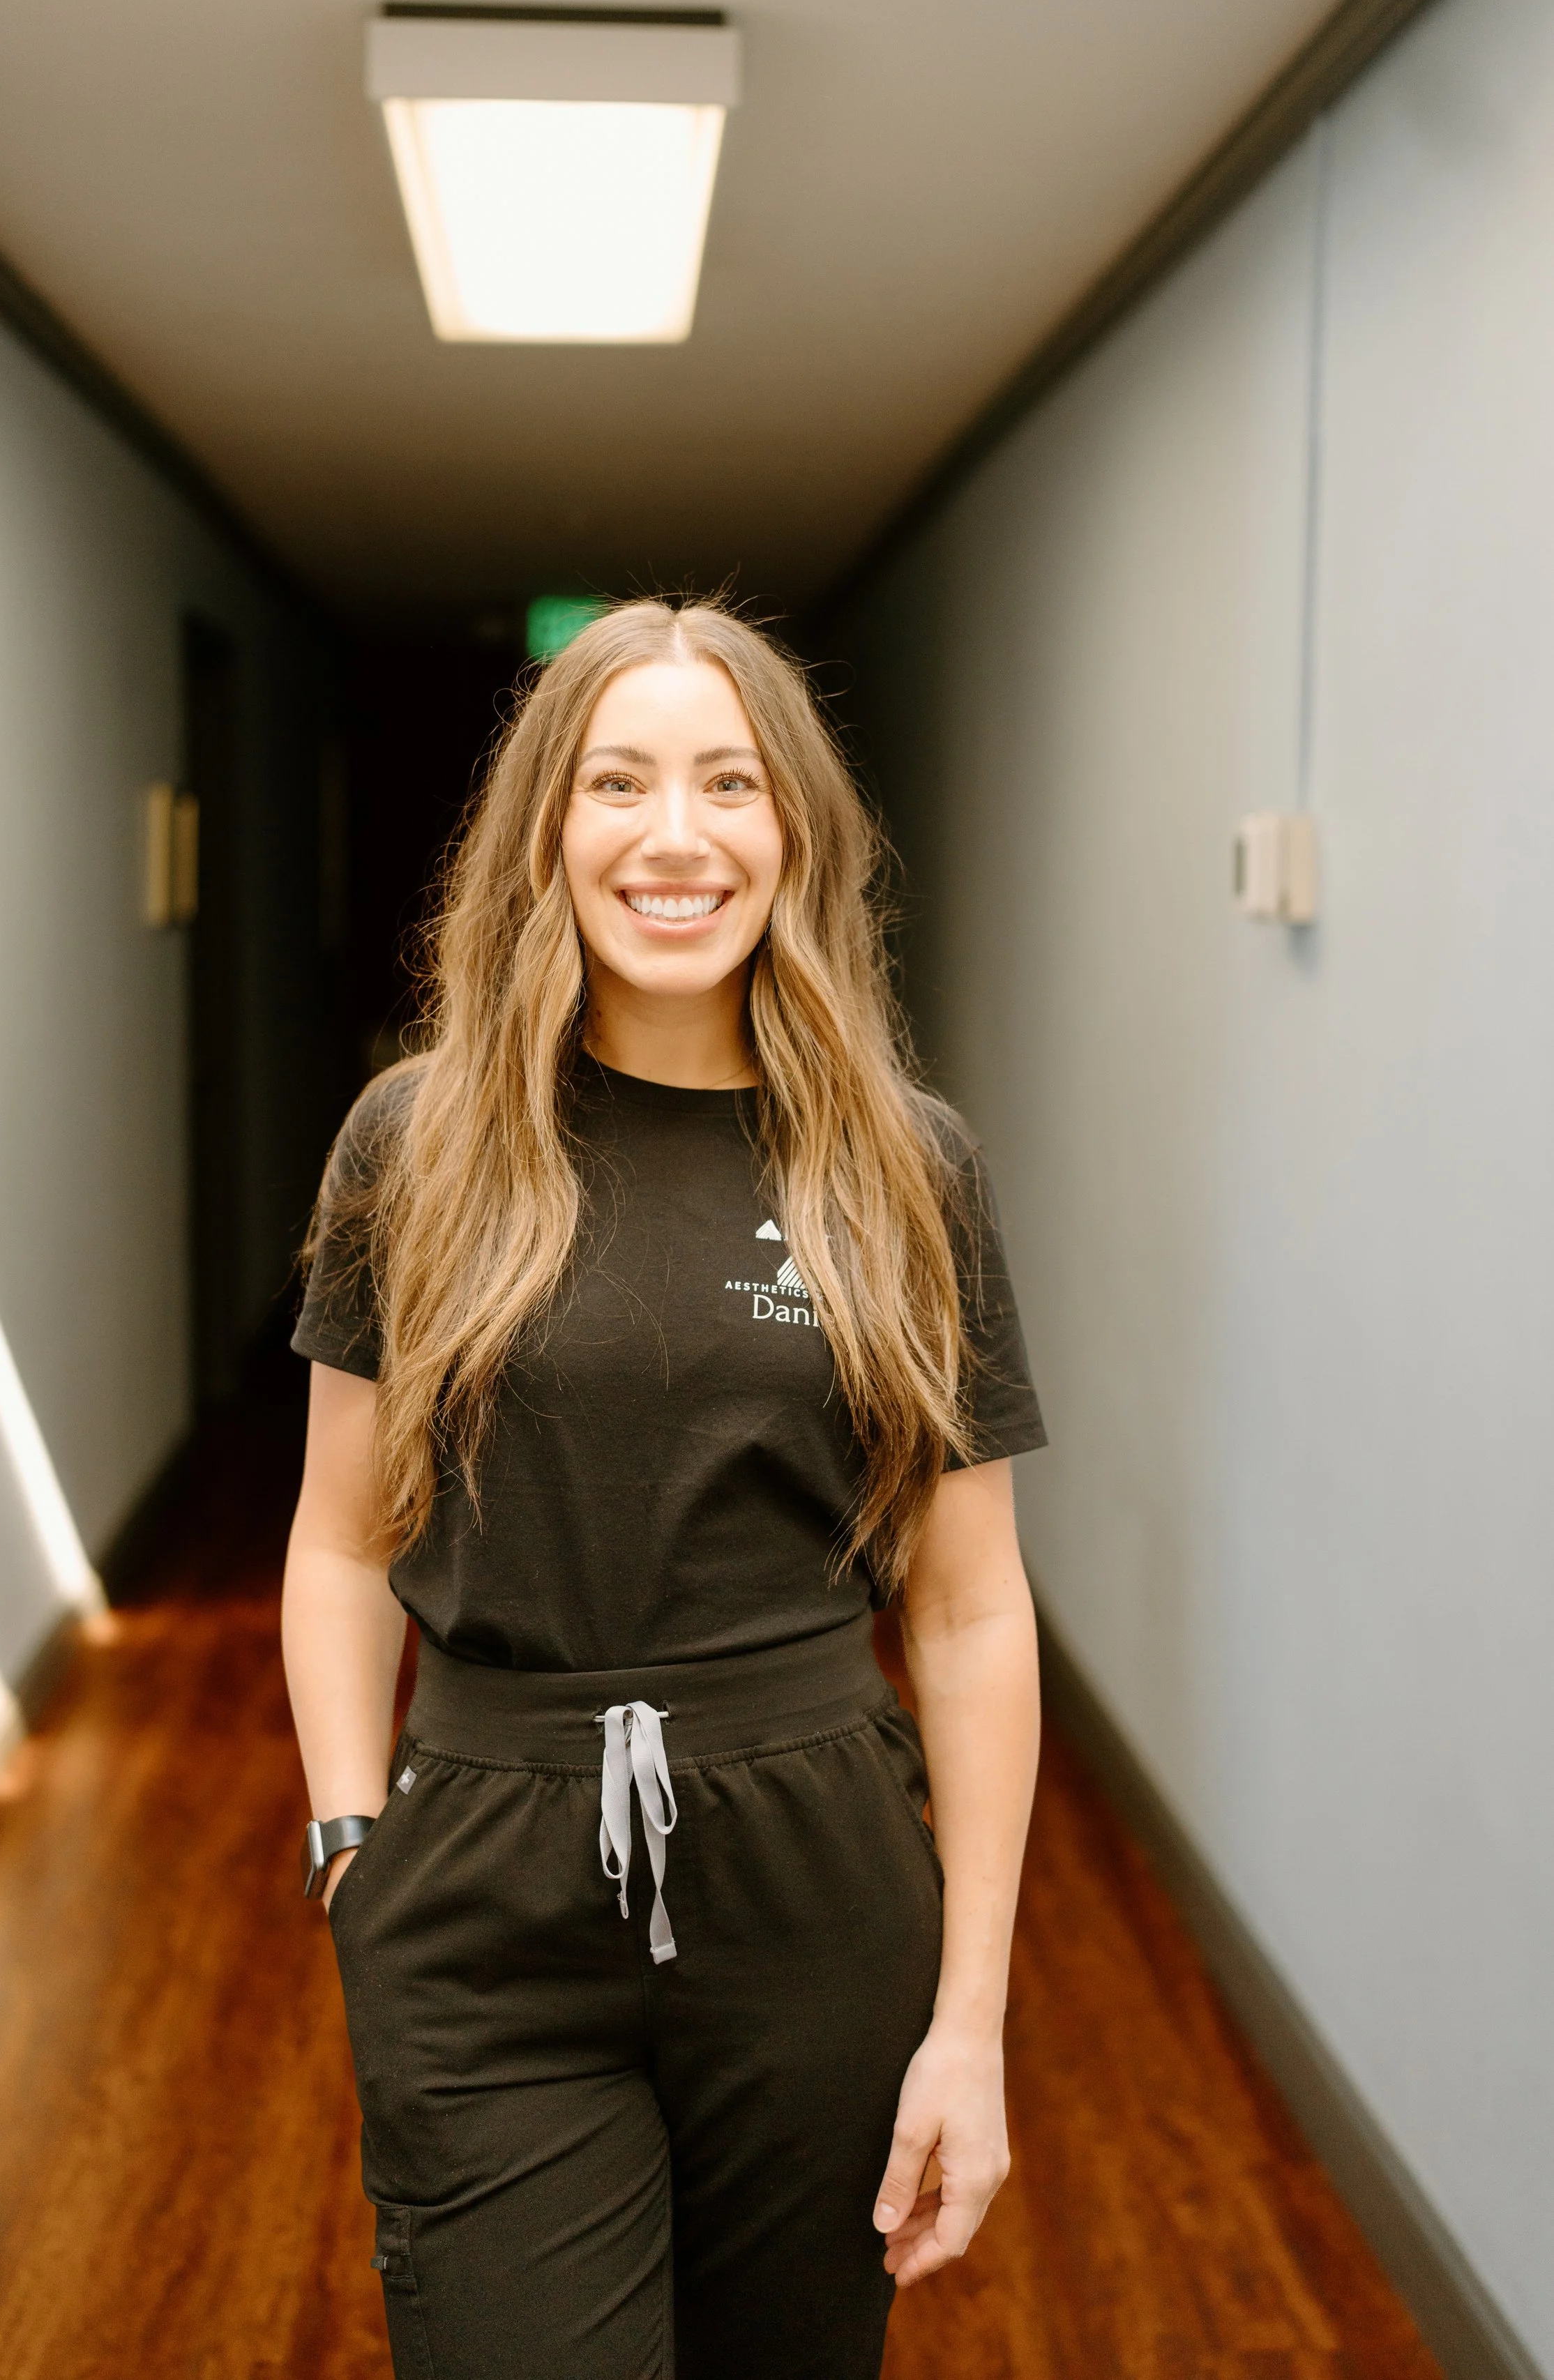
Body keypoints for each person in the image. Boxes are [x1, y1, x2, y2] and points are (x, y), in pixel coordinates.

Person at [281, 600, 1046, 2380]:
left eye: (729, 782)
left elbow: (969, 1604)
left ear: (794, 832)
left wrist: (970, 2026)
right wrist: (349, 1846)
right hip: (481, 1860)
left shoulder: (897, 1167)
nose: (676, 835)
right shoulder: (420, 1140)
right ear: (547, 828)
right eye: (618, 781)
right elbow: (335, 1542)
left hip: (812, 1875)